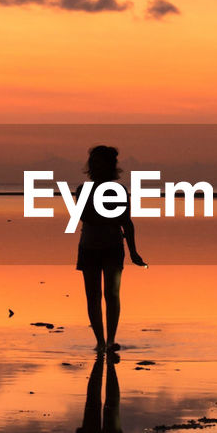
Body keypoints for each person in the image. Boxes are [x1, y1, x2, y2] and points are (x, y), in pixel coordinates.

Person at [75, 145, 146, 352]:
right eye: (94, 162)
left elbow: (126, 222)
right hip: (89, 247)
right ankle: (99, 340)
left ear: (110, 166)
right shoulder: (83, 190)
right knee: (93, 295)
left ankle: (110, 340)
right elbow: (85, 216)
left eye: (101, 162)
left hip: (113, 247)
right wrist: (108, 215)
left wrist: (133, 251)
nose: (96, 166)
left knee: (112, 294)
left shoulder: (120, 191)